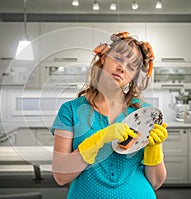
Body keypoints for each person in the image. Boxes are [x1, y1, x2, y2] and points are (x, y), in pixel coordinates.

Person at [50, 32, 168, 199]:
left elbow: (156, 182)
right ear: (104, 58)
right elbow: (61, 177)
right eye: (118, 59)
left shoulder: (145, 114)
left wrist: (153, 149)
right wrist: (98, 140)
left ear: (134, 76)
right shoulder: (70, 111)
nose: (122, 68)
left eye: (131, 67)